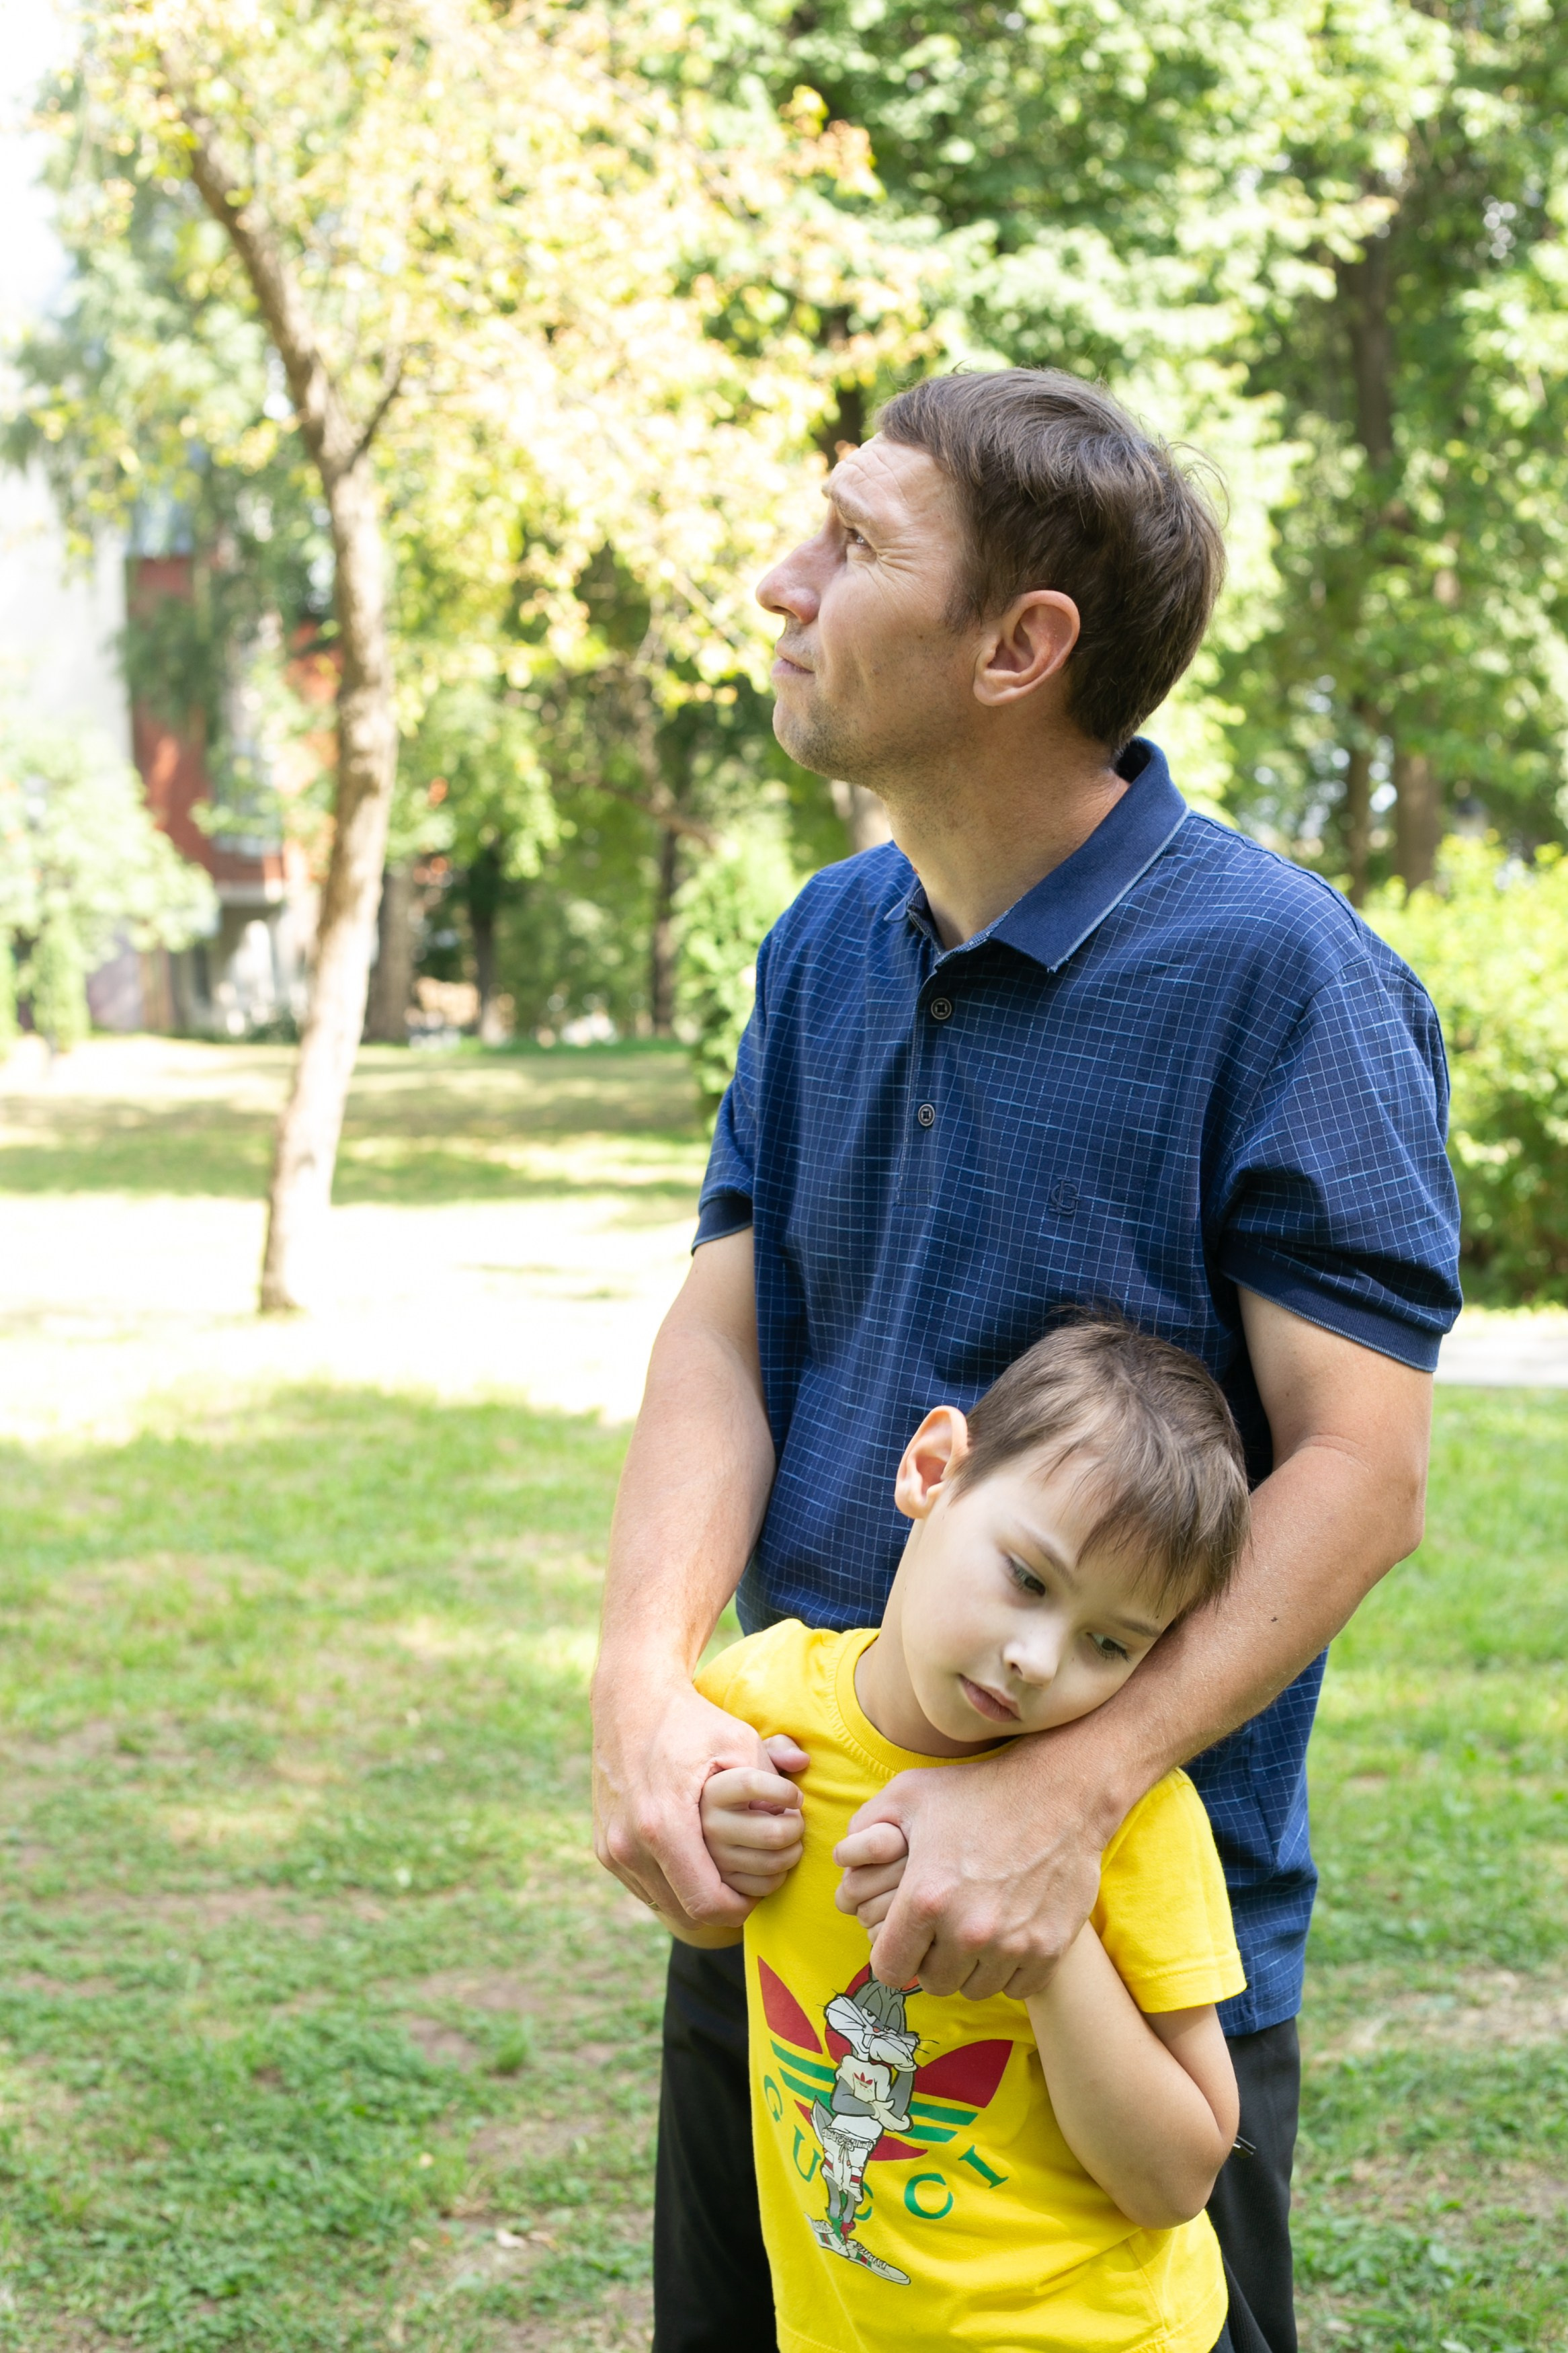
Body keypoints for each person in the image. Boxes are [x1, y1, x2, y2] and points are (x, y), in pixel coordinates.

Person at [591, 367, 1462, 2353]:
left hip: (1104, 1949)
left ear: (1020, 644)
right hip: (787, 1887)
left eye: (851, 541)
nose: (774, 582)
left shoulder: (1280, 973)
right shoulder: (819, 938)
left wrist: (1063, 1796)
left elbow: (1360, 1467)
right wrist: (643, 1695)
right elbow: (728, 1328)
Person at [649, 1320, 1253, 2353]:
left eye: (1107, 1643)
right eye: (1027, 1577)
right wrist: (712, 1844)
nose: (1033, 1658)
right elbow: (708, 1924)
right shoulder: (756, 1705)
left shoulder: (1133, 1827)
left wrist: (1050, 1943)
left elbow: (1176, 2177)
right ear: (934, 1471)